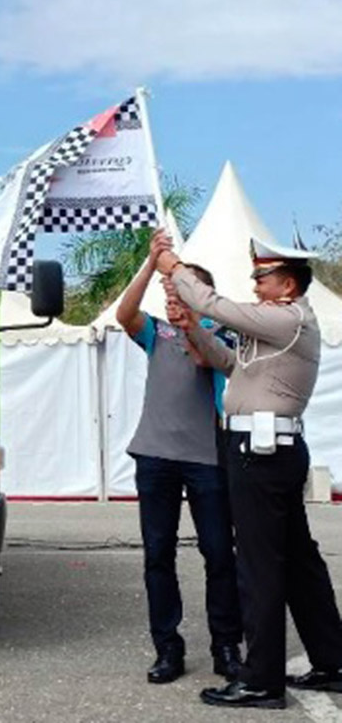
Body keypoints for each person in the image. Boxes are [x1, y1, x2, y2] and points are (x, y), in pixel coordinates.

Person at [157, 234, 342, 709]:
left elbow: (217, 305)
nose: (256, 283)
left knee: (258, 566)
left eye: (263, 277)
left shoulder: (287, 317)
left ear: (287, 285)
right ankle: (332, 658)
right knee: (299, 561)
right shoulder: (274, 330)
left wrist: (174, 266)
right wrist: (191, 326)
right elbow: (226, 363)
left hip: (261, 453)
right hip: (266, 449)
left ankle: (261, 679)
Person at [117, 239, 242, 686]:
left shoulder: (221, 331)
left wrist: (191, 323)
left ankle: (226, 644)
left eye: (181, 290)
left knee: (218, 553)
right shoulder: (156, 331)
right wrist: (151, 265)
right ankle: (167, 646)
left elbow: (205, 359)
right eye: (170, 291)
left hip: (207, 457)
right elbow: (123, 316)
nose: (172, 298)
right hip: (154, 455)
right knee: (158, 555)